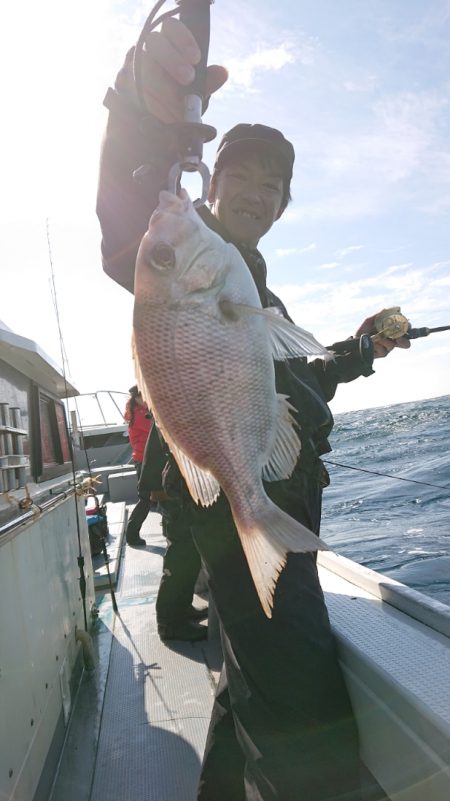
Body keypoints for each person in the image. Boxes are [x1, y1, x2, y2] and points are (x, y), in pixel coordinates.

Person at [97, 17, 410, 801]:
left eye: (276, 184)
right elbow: (122, 226)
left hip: (268, 506)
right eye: (245, 175)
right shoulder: (184, 250)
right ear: (210, 182)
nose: (260, 193)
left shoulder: (250, 285)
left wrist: (366, 347)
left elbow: (299, 377)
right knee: (302, 723)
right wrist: (138, 109)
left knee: (248, 694)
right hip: (238, 519)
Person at [138, 424, 208, 642]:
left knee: (189, 555)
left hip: (172, 490)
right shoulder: (169, 412)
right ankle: (170, 623)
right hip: (170, 494)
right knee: (180, 556)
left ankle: (182, 607)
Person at [124, 385, 154, 546]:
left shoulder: (137, 412)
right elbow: (156, 428)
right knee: (145, 498)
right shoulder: (142, 414)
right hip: (146, 460)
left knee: (153, 496)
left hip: (144, 459)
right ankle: (132, 534)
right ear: (137, 397)